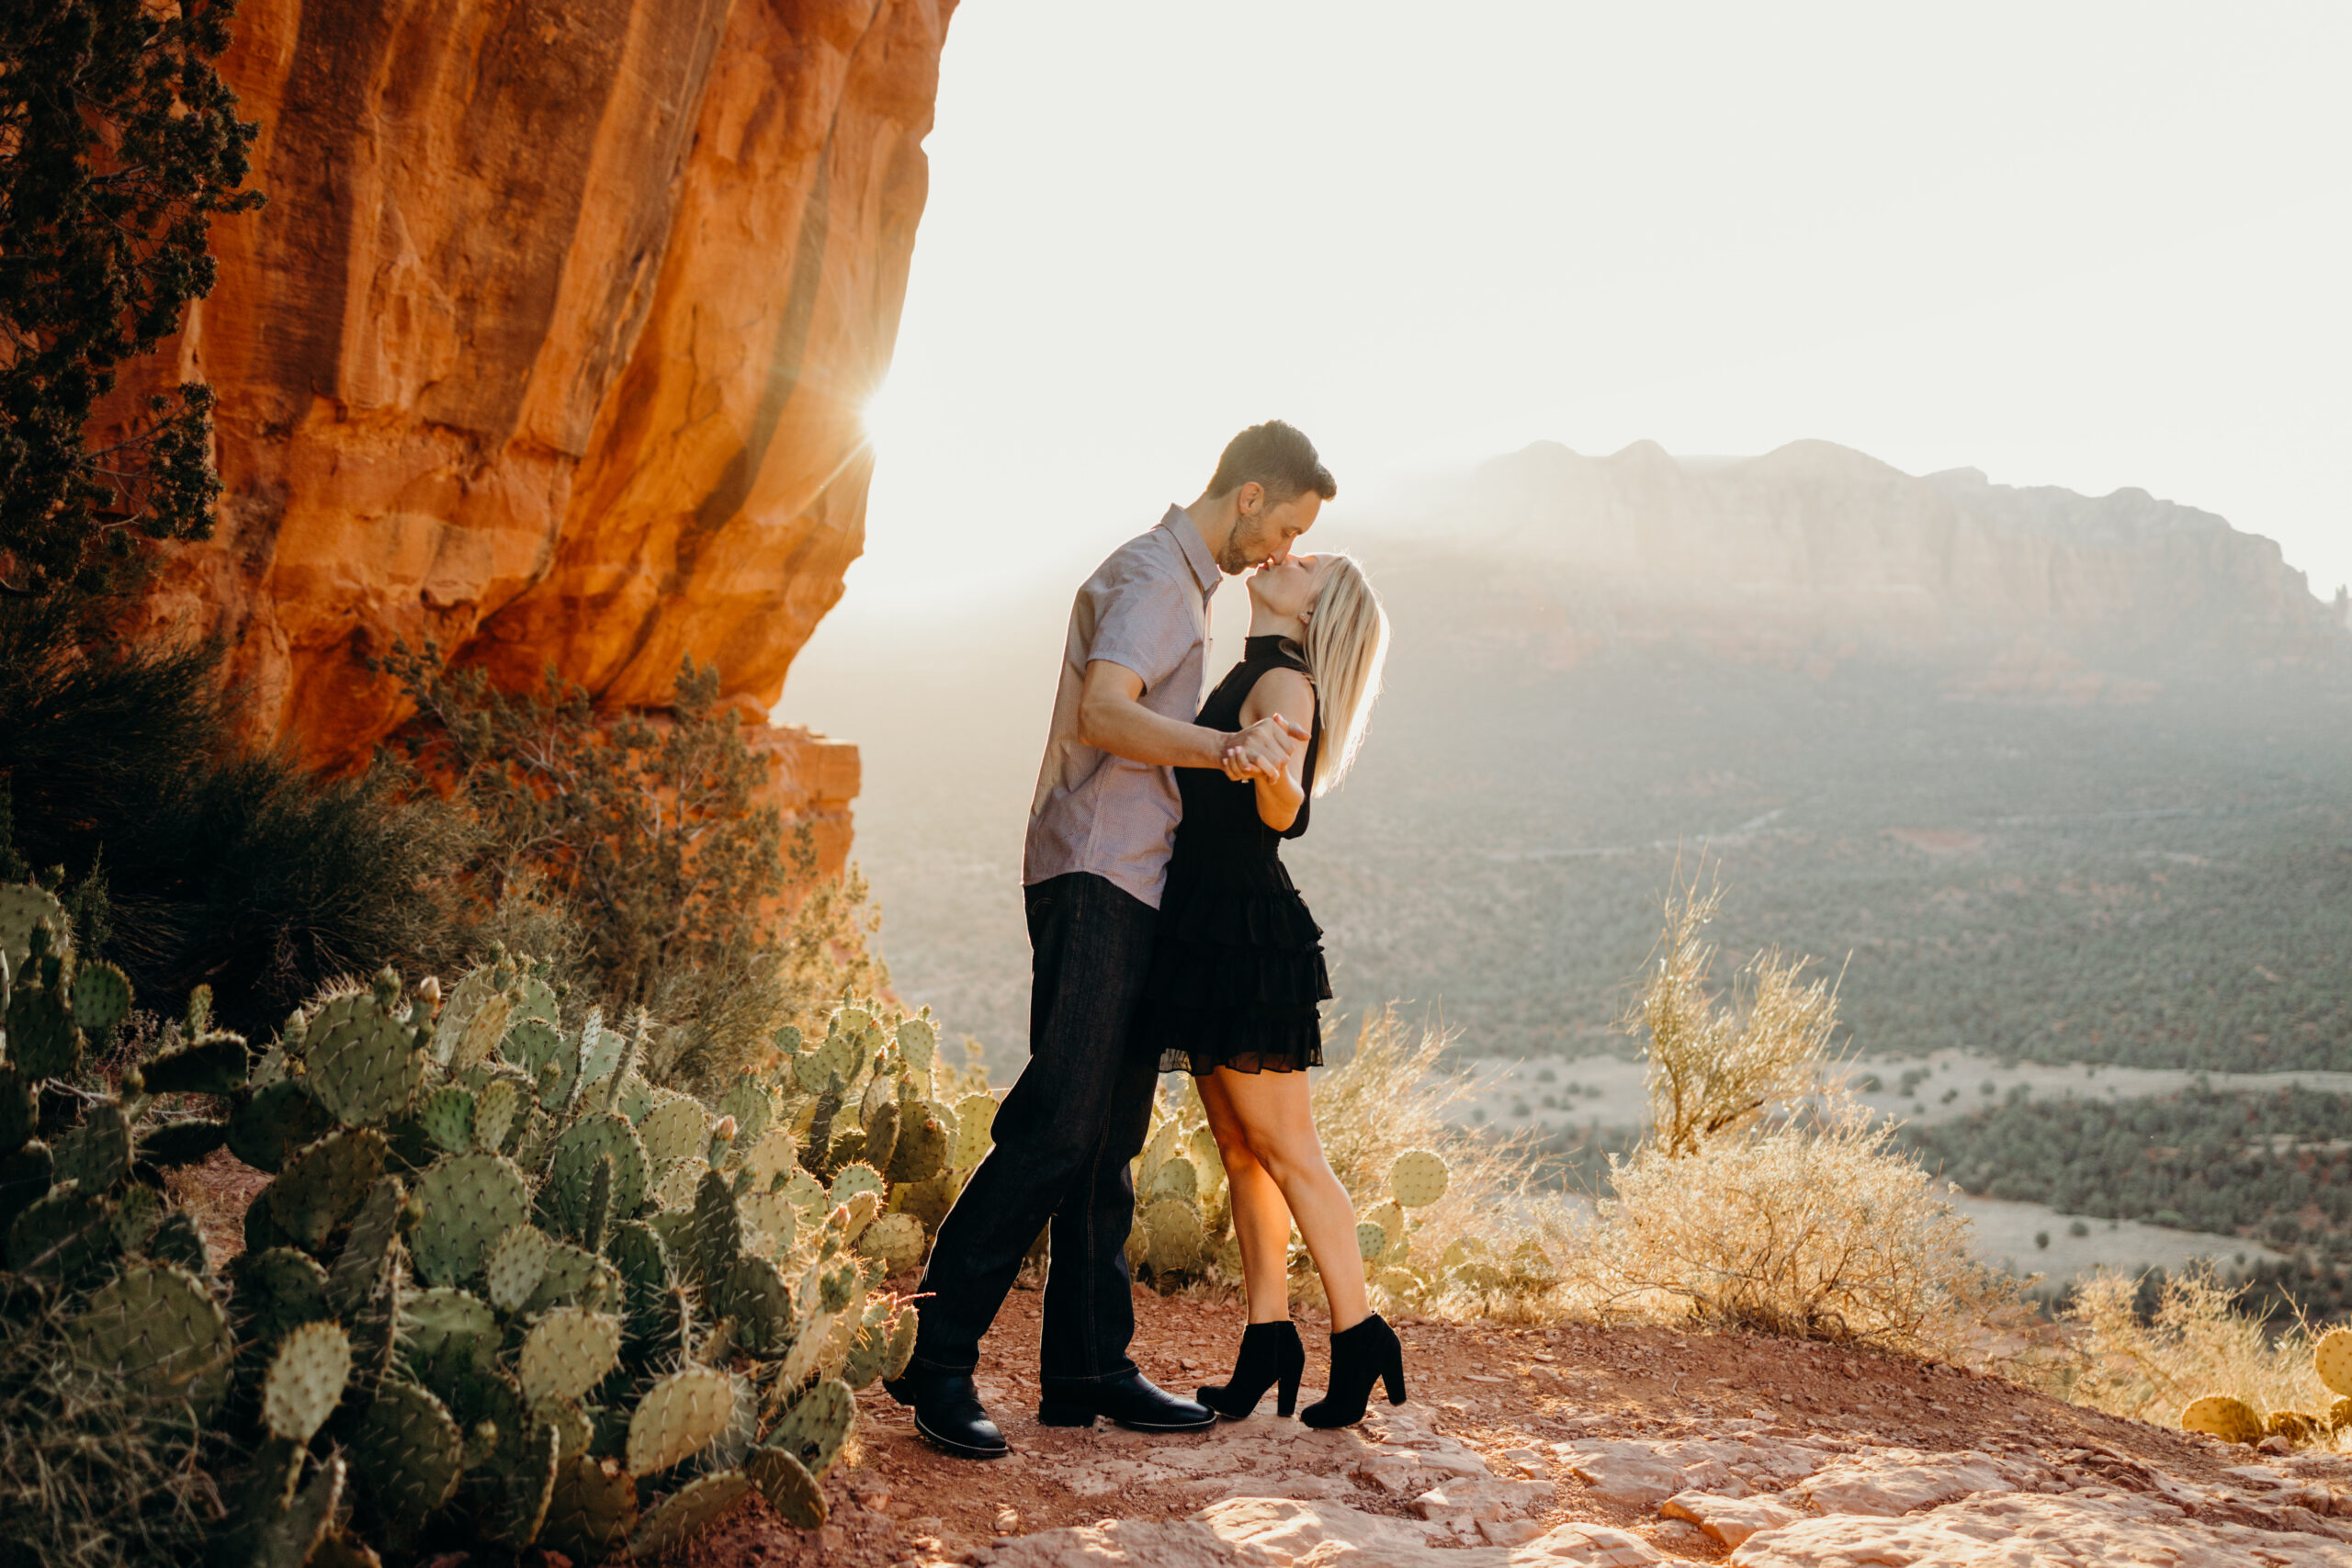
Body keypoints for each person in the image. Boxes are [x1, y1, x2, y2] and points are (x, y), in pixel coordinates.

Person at [884, 421, 1335, 1458]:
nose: (1280, 553)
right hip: (1095, 871)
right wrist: (1225, 749)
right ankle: (935, 1357)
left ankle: (1091, 1370)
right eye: (1287, 529)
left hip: (1135, 882)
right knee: (1057, 1121)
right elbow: (1103, 712)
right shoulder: (1153, 576)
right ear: (1252, 495)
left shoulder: (1186, 587)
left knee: (1108, 1138)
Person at [1133, 548, 1400, 1427]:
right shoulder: (1256, 669)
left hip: (1244, 938)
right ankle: (1266, 1340)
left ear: (1315, 613)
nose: (1293, 555)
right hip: (1211, 930)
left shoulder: (1286, 683)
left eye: (1313, 566)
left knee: (1290, 1152)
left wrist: (1277, 781)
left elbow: (1285, 812)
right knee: (1242, 1153)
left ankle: (1361, 1335)